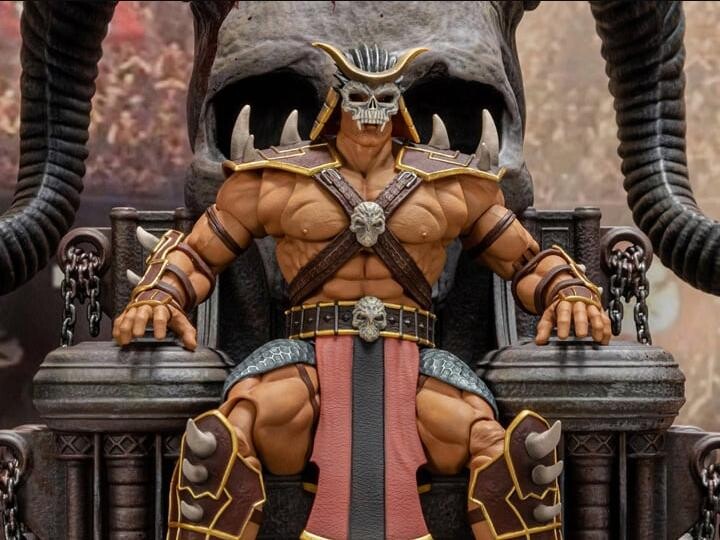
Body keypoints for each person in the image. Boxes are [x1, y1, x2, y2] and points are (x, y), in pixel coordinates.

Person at [114, 42, 609, 540]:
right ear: (336, 100)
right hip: (305, 362)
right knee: (231, 429)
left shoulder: (446, 184)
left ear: (399, 104)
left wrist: (567, 290)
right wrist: (160, 293)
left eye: (384, 98)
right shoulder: (281, 179)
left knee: (497, 446)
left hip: (416, 367)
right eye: (358, 97)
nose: (371, 110)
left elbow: (523, 260)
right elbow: (200, 253)